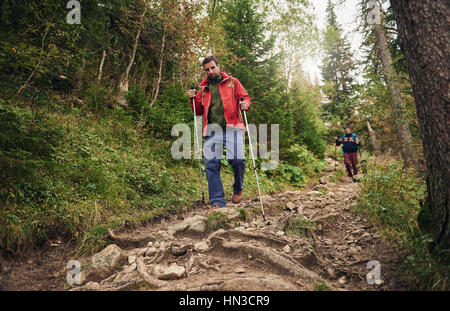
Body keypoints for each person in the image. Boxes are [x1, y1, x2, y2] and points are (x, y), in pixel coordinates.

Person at [188, 56, 251, 211]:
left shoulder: (232, 82)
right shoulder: (203, 88)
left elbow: (245, 98)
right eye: (207, 69)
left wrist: (245, 104)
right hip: (212, 130)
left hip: (233, 127)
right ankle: (217, 201)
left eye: (212, 68)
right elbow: (199, 111)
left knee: (237, 160)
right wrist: (192, 99)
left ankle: (238, 188)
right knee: (211, 164)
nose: (210, 71)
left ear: (218, 66)